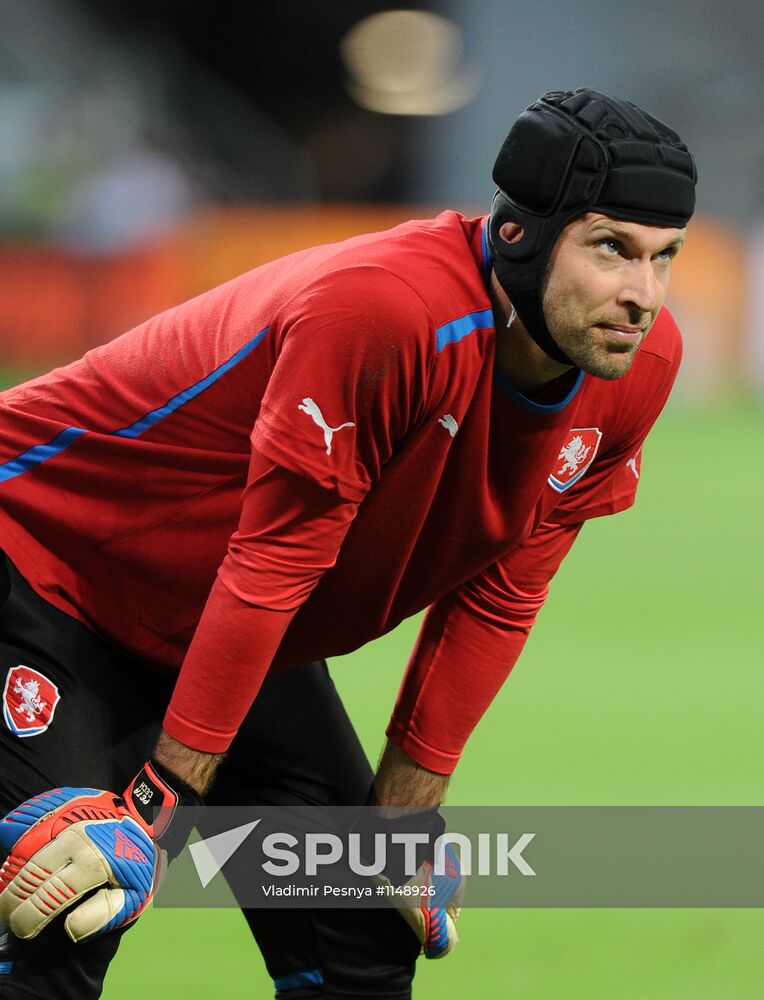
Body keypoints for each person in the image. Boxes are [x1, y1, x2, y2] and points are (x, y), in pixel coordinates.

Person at [0, 87, 696, 999]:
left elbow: (504, 591)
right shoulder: (386, 311)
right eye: (613, 249)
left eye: (665, 257)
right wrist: (154, 811)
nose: (642, 294)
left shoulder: (635, 369)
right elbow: (275, 559)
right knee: (59, 915)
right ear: (522, 236)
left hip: (223, 617)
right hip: (45, 560)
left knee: (363, 924)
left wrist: (405, 816)